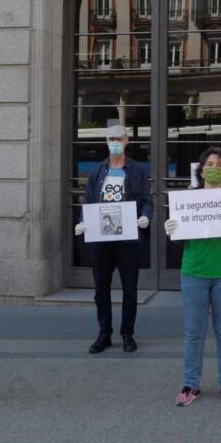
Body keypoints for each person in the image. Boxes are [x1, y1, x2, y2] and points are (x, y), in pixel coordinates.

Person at [165, 147, 221, 407]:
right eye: (210, 164)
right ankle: (190, 384)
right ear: (201, 171)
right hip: (195, 271)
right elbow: (179, 237)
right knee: (193, 332)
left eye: (220, 165)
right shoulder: (189, 198)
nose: (214, 168)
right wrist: (172, 229)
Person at [75, 124, 153, 354]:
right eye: (111, 139)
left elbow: (147, 201)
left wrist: (145, 217)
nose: (115, 143)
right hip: (101, 240)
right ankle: (104, 333)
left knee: (129, 288)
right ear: (106, 141)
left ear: (127, 141)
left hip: (128, 239)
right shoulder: (97, 172)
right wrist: (82, 222)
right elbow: (89, 202)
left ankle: (127, 333)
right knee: (101, 288)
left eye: (119, 138)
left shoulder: (137, 171)